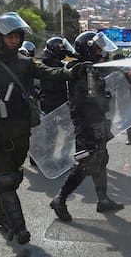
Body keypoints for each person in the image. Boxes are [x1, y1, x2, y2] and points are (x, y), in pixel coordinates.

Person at [0, 12, 72, 245]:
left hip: (19, 132)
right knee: (4, 180)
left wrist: (73, 71)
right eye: (10, 36)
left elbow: (50, 72)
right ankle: (19, 229)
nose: (15, 40)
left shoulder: (25, 62)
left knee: (15, 176)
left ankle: (2, 215)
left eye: (17, 36)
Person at [49, 31, 124, 221]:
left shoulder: (89, 68)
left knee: (101, 160)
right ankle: (60, 199)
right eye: (98, 48)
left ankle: (103, 199)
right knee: (85, 164)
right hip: (87, 124)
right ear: (89, 48)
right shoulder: (81, 69)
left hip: (96, 120)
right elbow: (87, 98)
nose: (101, 52)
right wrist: (103, 99)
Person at [37, 36, 76, 114]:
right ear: (56, 49)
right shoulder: (49, 64)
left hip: (54, 104)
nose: (65, 51)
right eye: (63, 48)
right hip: (53, 106)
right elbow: (55, 86)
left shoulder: (51, 62)